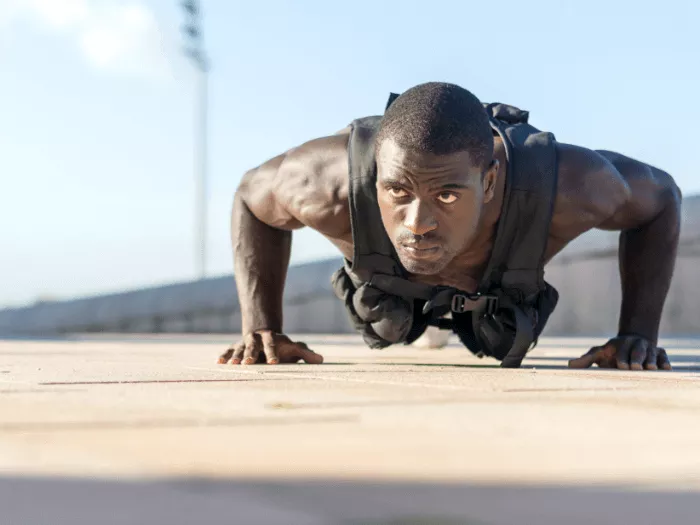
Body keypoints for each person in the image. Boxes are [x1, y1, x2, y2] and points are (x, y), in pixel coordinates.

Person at [218, 82, 681, 371]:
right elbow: (250, 199)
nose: (417, 223)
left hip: (499, 293)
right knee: (389, 323)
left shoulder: (572, 184)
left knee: (501, 336)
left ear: (490, 180)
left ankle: (456, 318)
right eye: (398, 191)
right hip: (389, 290)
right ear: (377, 174)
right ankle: (423, 319)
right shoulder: (323, 181)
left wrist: (636, 334)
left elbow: (662, 198)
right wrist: (262, 326)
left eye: (446, 195)